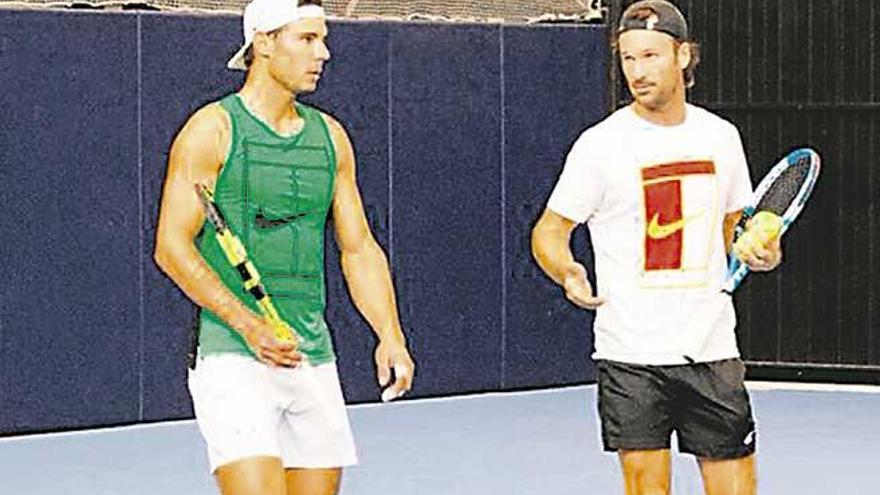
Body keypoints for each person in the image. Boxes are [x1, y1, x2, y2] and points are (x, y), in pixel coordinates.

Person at [153, 0, 415, 493]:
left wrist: (390, 333)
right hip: (232, 353)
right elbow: (172, 246)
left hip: (311, 354)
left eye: (323, 39)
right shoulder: (212, 130)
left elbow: (358, 248)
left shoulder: (331, 138)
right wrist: (249, 326)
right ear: (265, 43)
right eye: (308, 39)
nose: (324, 53)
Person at [531, 1, 781, 494]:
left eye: (651, 56)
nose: (638, 72)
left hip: (711, 350)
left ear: (684, 55)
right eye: (628, 59)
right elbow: (548, 231)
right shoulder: (599, 145)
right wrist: (566, 271)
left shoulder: (721, 138)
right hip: (631, 355)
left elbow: (738, 228)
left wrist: (760, 251)